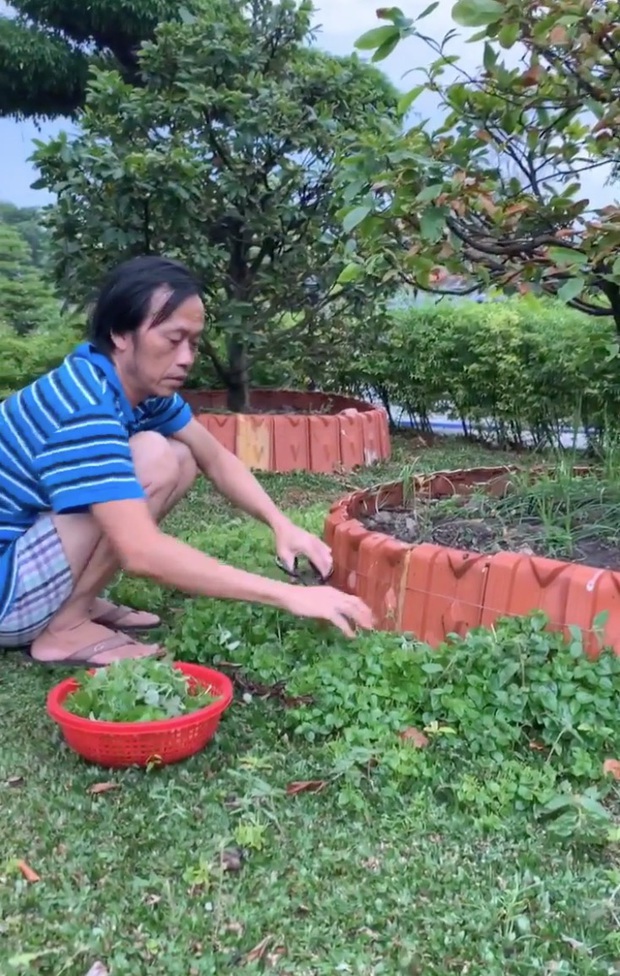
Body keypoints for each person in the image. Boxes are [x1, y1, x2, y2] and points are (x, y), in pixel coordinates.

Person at [0, 255, 374, 667]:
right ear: (120, 334)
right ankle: (64, 630)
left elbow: (214, 456)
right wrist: (291, 595)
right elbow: (141, 552)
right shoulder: (83, 403)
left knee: (181, 455)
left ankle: (78, 605)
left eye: (193, 343)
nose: (187, 358)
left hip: (27, 559)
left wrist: (281, 524)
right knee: (154, 456)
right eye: (173, 339)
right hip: (6, 595)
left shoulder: (135, 387)